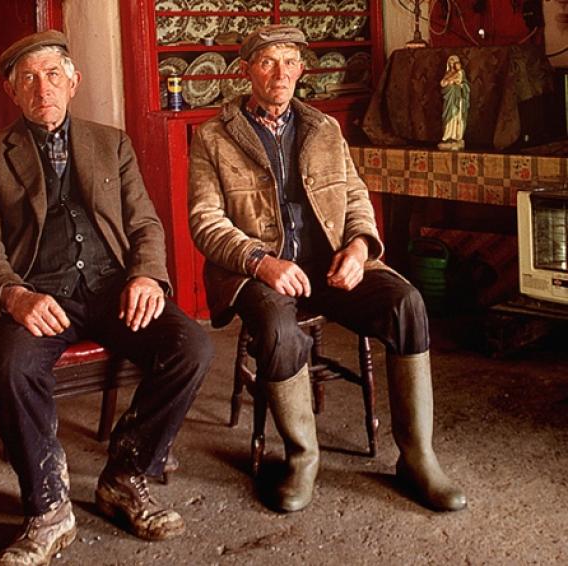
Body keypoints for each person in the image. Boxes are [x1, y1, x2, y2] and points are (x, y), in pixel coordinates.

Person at [0, 30, 213, 566]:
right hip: (38, 295)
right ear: (12, 91)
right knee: (10, 363)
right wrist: (13, 295)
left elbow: (144, 224)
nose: (42, 88)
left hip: (112, 288)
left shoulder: (111, 142)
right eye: (29, 79)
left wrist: (147, 277)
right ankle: (48, 508)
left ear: (73, 82)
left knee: (191, 345)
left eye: (53, 75)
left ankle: (125, 474)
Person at [188, 25, 467, 514]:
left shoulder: (323, 128)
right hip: (259, 270)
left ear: (301, 69)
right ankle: (303, 457)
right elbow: (205, 221)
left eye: (289, 62)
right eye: (268, 62)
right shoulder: (214, 136)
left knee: (407, 304)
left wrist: (359, 247)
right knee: (279, 330)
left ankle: (417, 456)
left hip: (329, 263)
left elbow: (355, 195)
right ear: (246, 70)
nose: (280, 73)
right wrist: (260, 261)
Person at [438, 55, 470, 150]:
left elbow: (464, 85)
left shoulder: (461, 73)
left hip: (458, 99)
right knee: (448, 116)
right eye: (451, 62)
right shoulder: (448, 73)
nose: (453, 64)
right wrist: (448, 82)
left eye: (455, 62)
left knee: (457, 117)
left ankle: (457, 137)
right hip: (449, 99)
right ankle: (448, 136)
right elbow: (443, 85)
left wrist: (460, 85)